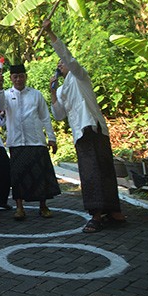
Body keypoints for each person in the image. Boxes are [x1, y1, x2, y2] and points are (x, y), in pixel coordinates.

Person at [43, 20, 126, 233]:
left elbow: (67, 56)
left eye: (62, 63)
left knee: (106, 171)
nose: (61, 64)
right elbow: (59, 115)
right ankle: (96, 215)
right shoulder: (61, 90)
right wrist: (52, 93)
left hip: (95, 128)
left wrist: (51, 33)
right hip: (80, 134)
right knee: (90, 174)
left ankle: (113, 210)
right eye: (59, 64)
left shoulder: (80, 76)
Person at [0, 64, 60, 220]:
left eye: (21, 76)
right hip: (16, 142)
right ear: (11, 78)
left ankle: (43, 206)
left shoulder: (36, 94)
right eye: (15, 76)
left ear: (26, 77)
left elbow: (45, 117)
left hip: (36, 141)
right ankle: (19, 208)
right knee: (18, 176)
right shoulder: (6, 94)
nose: (18, 79)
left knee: (40, 175)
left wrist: (51, 138)